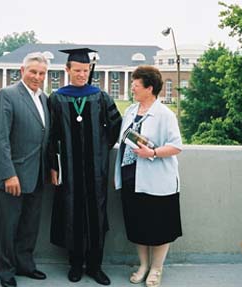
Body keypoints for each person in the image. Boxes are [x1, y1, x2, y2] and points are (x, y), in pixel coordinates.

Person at [48, 48, 122, 286]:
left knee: (96, 215)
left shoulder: (100, 97)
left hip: (95, 171)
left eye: (85, 70)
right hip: (68, 169)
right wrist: (53, 164)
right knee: (72, 214)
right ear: (67, 70)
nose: (81, 74)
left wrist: (100, 149)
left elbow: (115, 125)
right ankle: (76, 265)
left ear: (90, 70)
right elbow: (51, 134)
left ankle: (95, 267)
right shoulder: (57, 98)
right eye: (77, 70)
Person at [114, 65, 183, 287]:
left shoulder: (165, 115)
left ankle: (156, 268)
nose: (132, 88)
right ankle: (143, 265)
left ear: (149, 88)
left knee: (159, 227)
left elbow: (176, 146)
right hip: (131, 178)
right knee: (138, 225)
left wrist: (152, 153)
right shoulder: (131, 111)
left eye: (135, 85)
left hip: (157, 180)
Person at [0, 52, 50, 287]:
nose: (37, 76)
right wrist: (8, 174)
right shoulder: (7, 95)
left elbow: (45, 137)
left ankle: (25, 265)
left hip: (37, 176)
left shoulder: (44, 98)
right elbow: (0, 139)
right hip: (12, 176)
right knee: (7, 227)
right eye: (33, 71)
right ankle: (5, 271)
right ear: (22, 71)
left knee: (29, 226)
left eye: (41, 73)